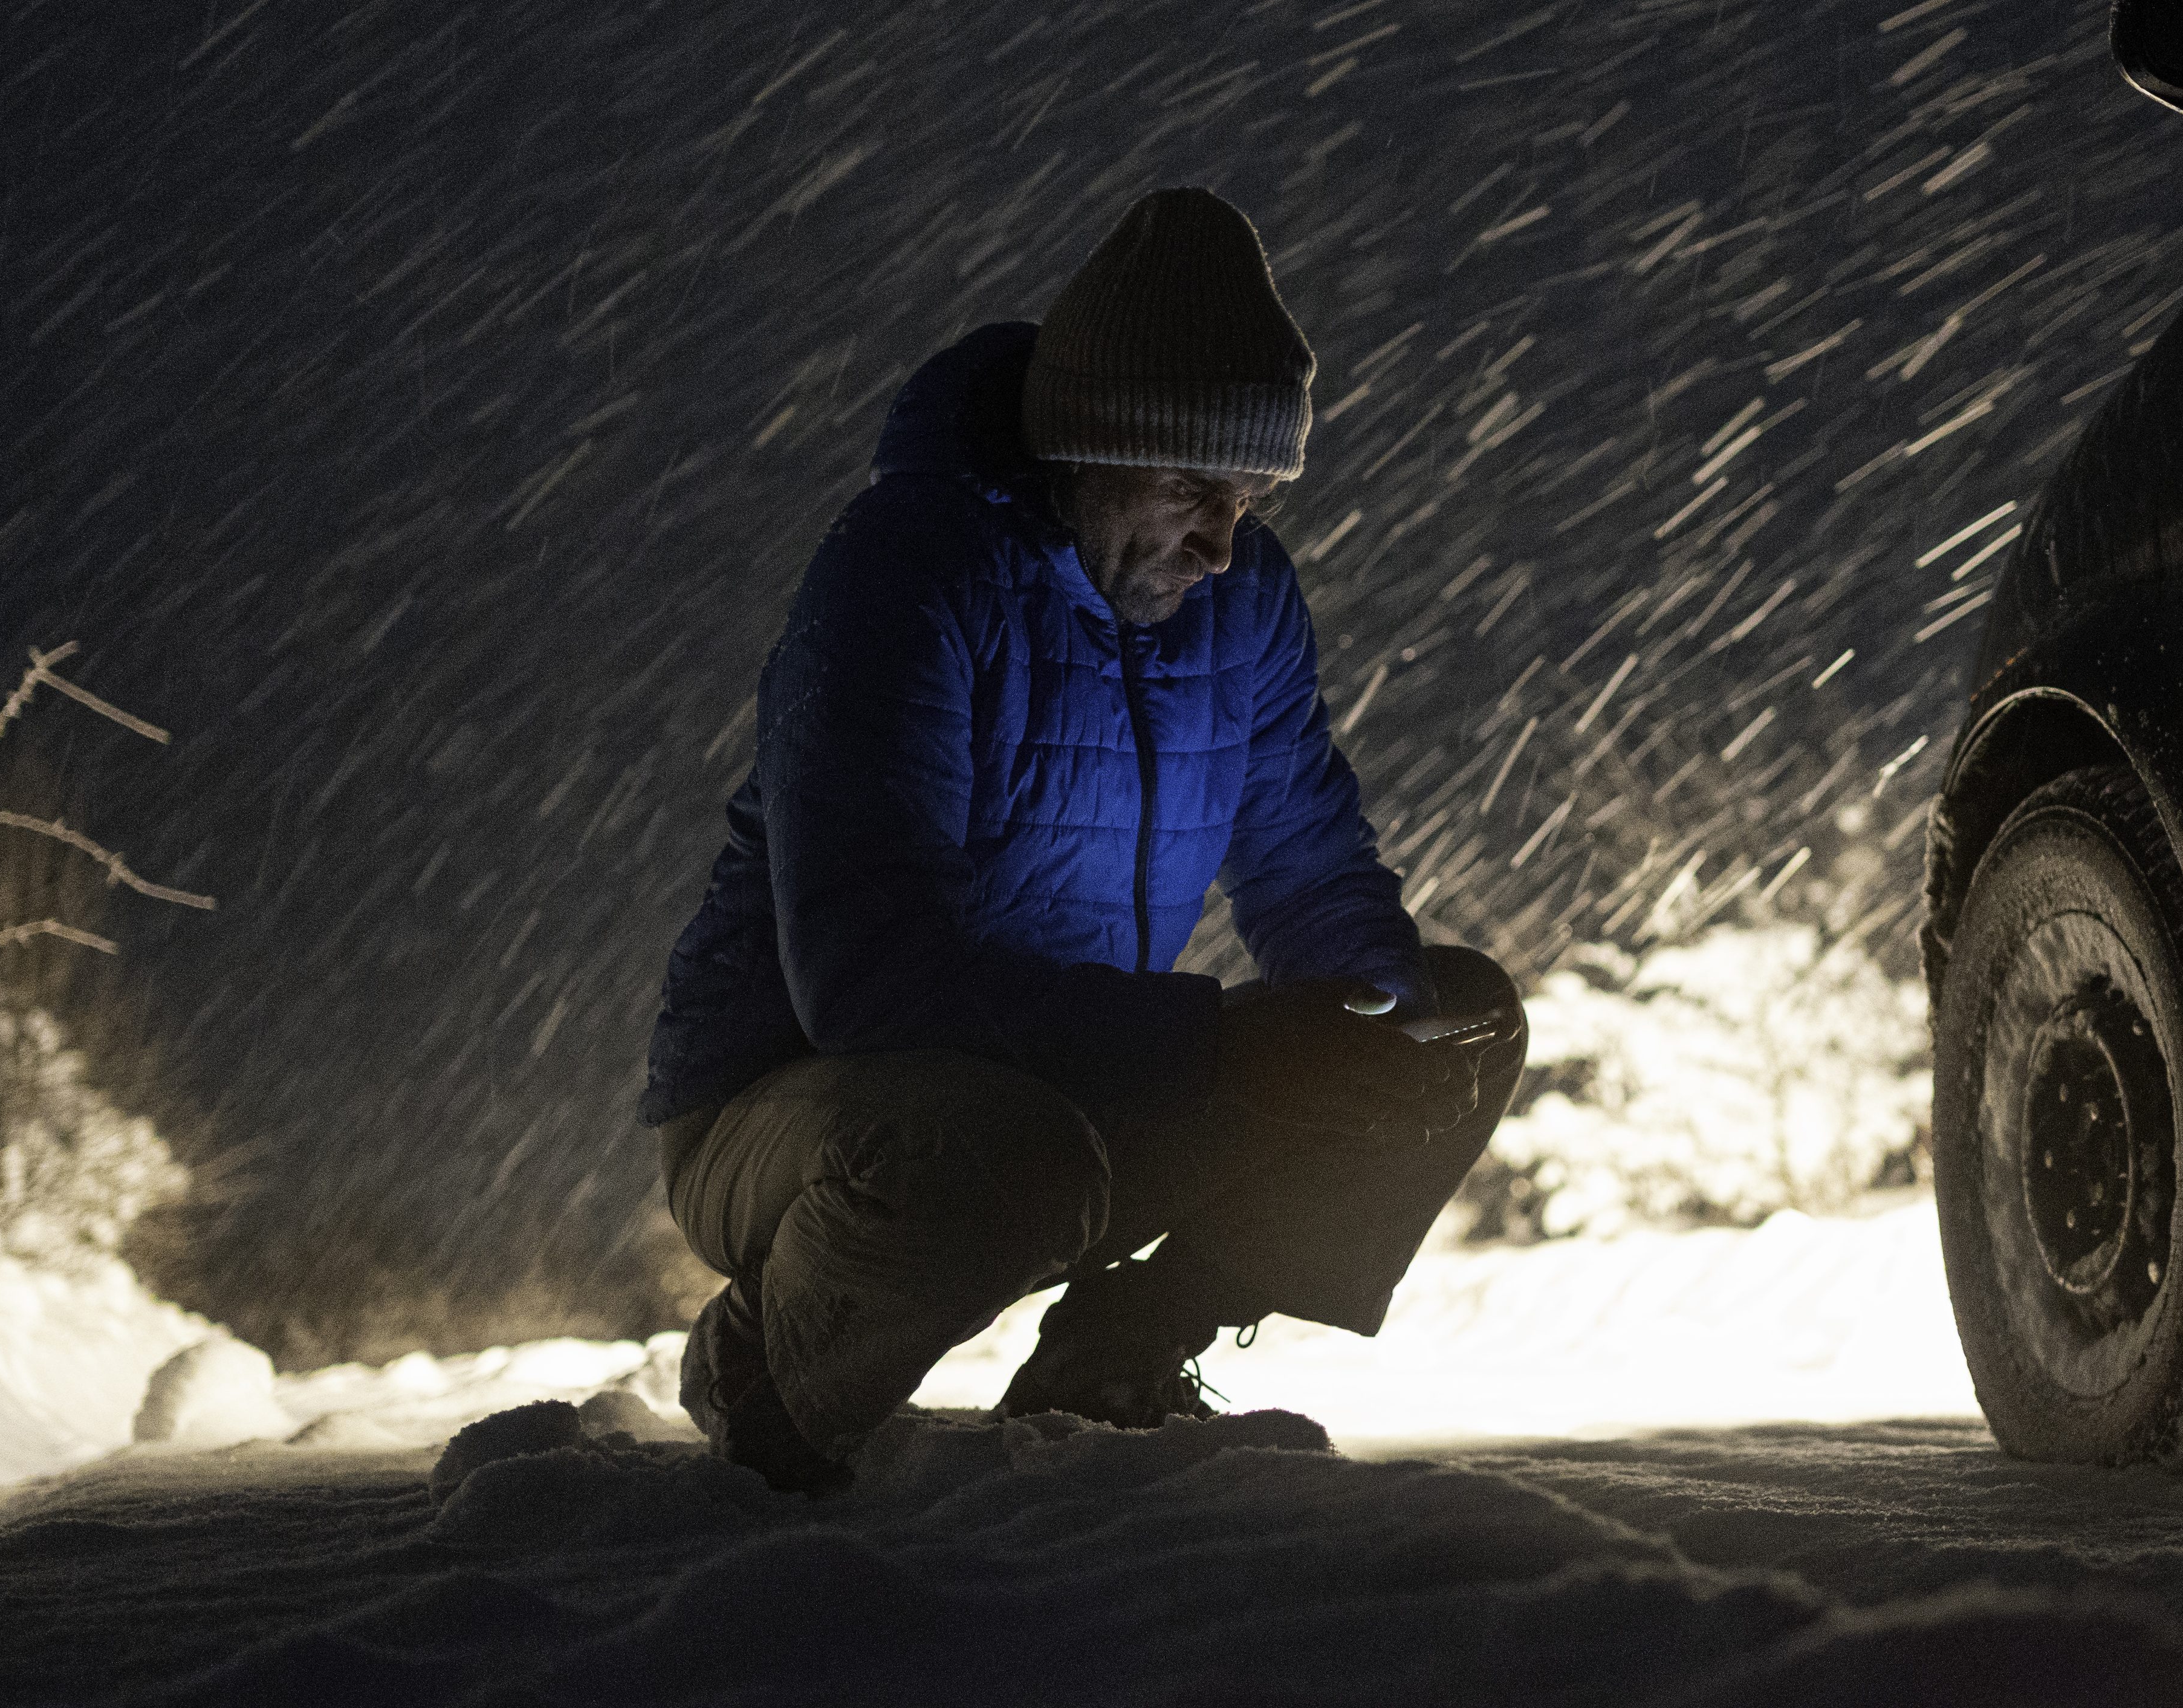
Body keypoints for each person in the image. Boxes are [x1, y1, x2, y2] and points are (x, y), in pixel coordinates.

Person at [640, 185, 1526, 1493]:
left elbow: (1311, 867)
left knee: (1459, 1022)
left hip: (1082, 1078)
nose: (1226, 543)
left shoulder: (1248, 606)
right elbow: (867, 973)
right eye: (1195, 486)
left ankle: (1117, 1355)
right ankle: (769, 1359)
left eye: (1254, 494)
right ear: (1091, 443)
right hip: (803, 1106)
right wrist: (1220, 1041)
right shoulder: (912, 577)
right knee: (995, 1152)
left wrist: (1377, 1039)